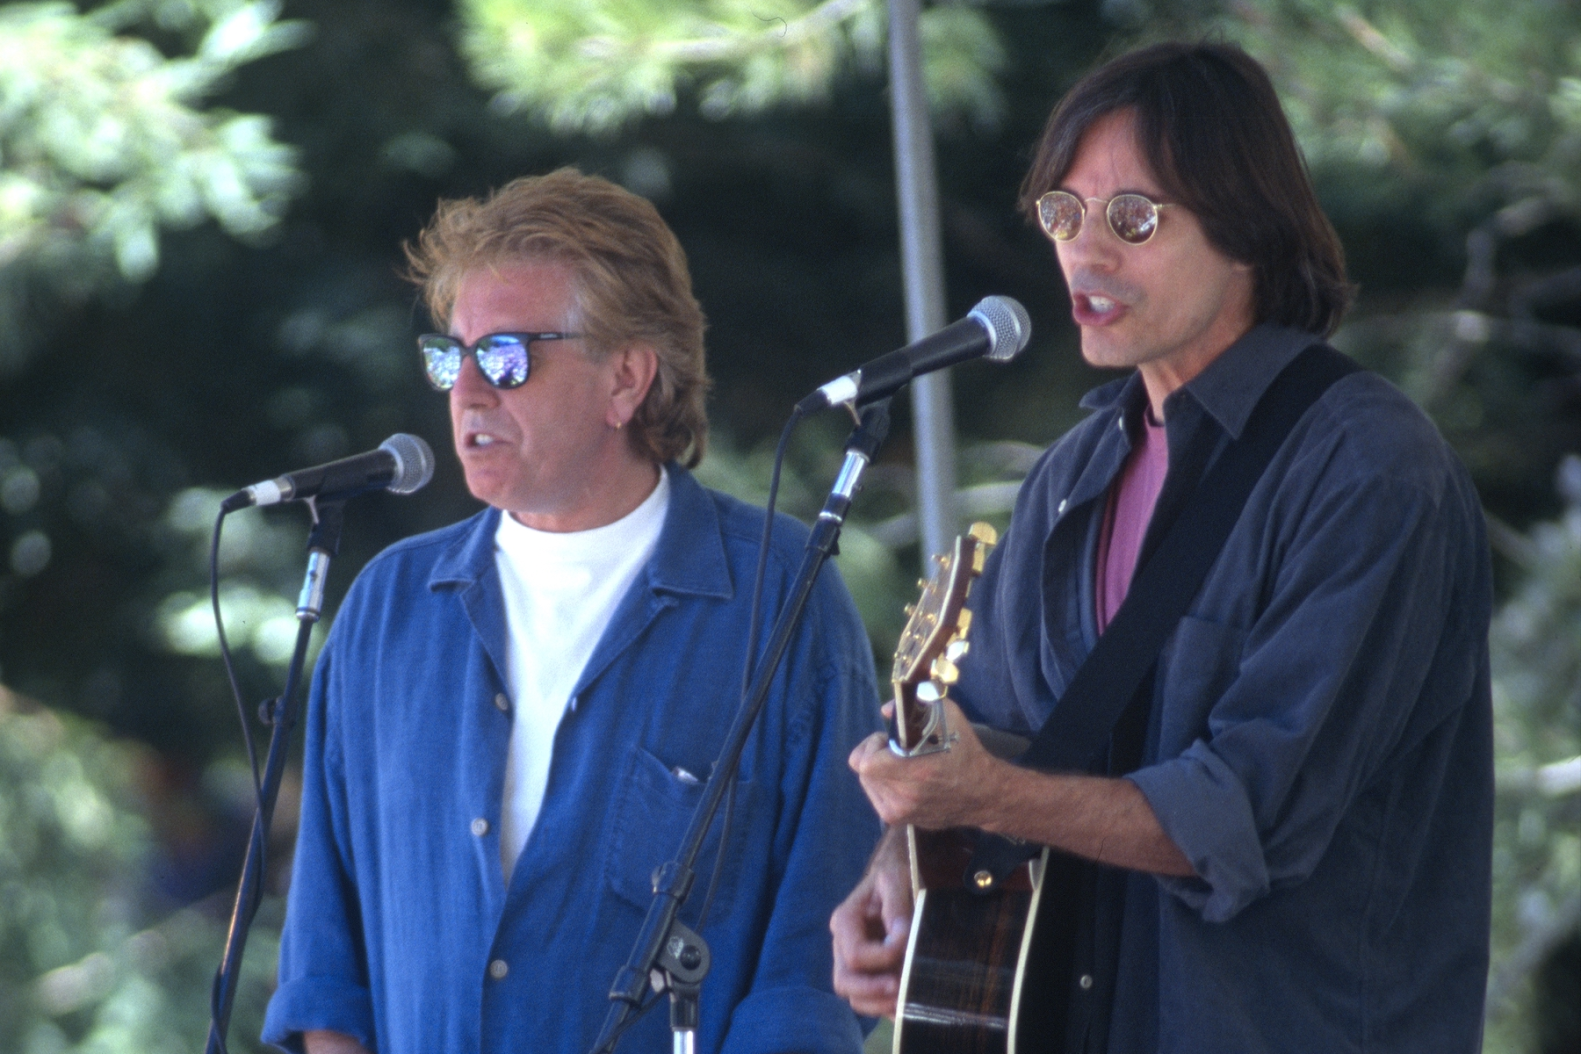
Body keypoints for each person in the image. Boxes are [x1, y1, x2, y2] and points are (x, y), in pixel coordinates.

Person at [831, 41, 1492, 1053]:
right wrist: (902, 856)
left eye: (1133, 220)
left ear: (1247, 234)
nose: (1084, 256)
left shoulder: (1368, 467)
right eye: (1064, 214)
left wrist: (987, 794)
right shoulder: (1069, 477)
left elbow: (1247, 815)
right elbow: (992, 739)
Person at [262, 168, 882, 1054]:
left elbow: (815, 970)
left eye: (507, 357)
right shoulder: (388, 609)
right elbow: (326, 969)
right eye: (451, 356)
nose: (467, 394)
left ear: (626, 378)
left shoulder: (782, 593)